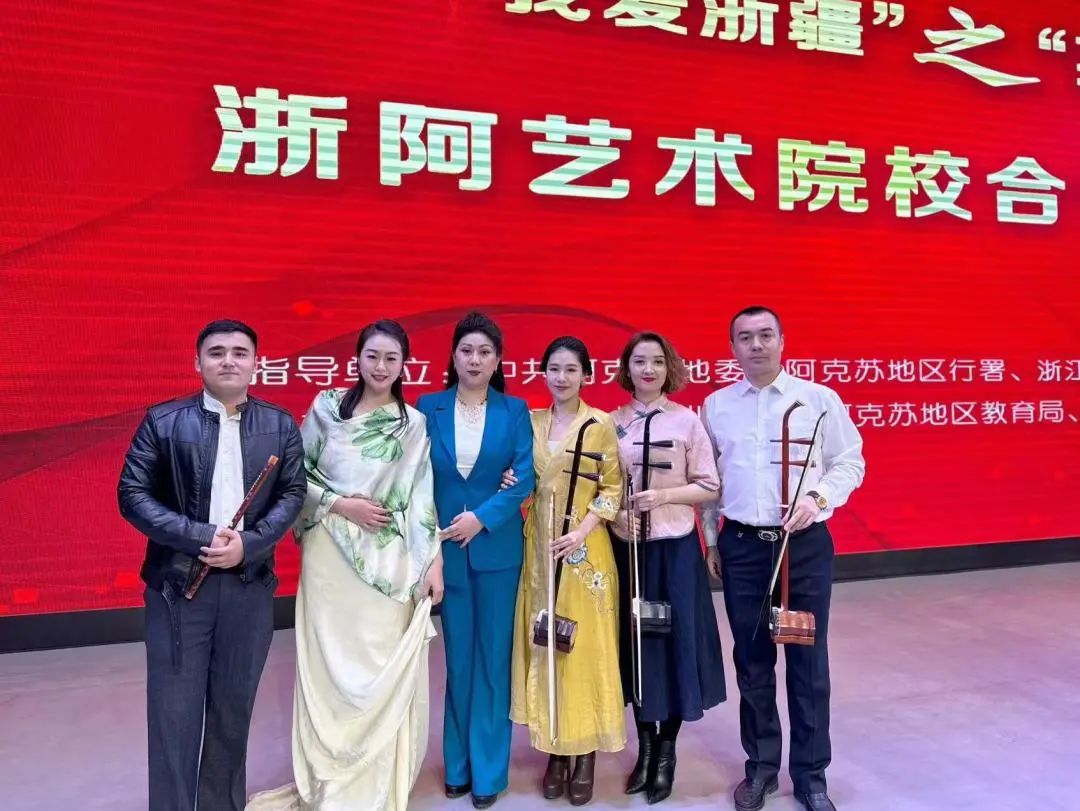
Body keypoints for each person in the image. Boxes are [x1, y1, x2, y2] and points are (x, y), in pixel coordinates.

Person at [246, 319, 444, 810]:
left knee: (376, 665)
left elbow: (421, 497)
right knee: (329, 667)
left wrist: (432, 564)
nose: (380, 366)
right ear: (357, 358)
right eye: (372, 356)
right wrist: (340, 504)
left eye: (391, 358)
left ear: (404, 365)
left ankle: (374, 785)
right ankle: (329, 784)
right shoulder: (326, 407)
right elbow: (295, 476)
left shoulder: (412, 423)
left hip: (388, 561)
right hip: (329, 556)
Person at [118, 318, 306, 811]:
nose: (228, 361)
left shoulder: (280, 425)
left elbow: (292, 493)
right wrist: (200, 535)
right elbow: (132, 495)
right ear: (197, 362)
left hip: (248, 587)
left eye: (240, 353)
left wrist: (250, 544)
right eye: (217, 352)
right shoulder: (163, 421)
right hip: (178, 590)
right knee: (173, 717)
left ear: (256, 364)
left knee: (231, 716)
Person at [701, 306, 865, 811]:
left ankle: (811, 775)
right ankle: (761, 769)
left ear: (782, 340)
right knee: (752, 662)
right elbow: (710, 482)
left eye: (765, 335)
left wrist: (818, 498)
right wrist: (711, 541)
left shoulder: (818, 399)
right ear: (732, 347)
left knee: (807, 663)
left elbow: (850, 461)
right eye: (745, 337)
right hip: (743, 547)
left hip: (803, 549)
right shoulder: (716, 406)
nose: (756, 345)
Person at [417, 311, 535, 810]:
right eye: (466, 350)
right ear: (453, 356)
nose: (475, 359)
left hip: (497, 551)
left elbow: (525, 477)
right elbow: (415, 481)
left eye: (485, 352)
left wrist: (481, 518)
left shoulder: (515, 410)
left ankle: (488, 770)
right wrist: (433, 544)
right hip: (446, 553)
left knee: (492, 661)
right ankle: (457, 765)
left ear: (498, 359)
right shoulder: (428, 408)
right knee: (458, 661)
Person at [608, 331, 726, 805]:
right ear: (627, 368)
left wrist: (665, 496)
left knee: (674, 644)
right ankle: (645, 748)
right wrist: (616, 516)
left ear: (669, 367)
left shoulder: (687, 422)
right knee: (636, 645)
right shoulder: (611, 423)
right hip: (628, 549)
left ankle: (667, 752)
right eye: (639, 361)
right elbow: (602, 487)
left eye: (657, 361)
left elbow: (710, 486)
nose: (648, 369)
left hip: (675, 549)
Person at [509, 336, 626, 806]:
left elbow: (612, 489)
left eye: (571, 369)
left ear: (586, 375)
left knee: (584, 650)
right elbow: (522, 477)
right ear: (543, 373)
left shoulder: (600, 424)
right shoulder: (531, 422)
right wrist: (510, 481)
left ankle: (587, 753)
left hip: (584, 553)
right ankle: (556, 751)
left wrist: (582, 532)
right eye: (554, 368)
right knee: (547, 644)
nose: (561, 377)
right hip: (539, 551)